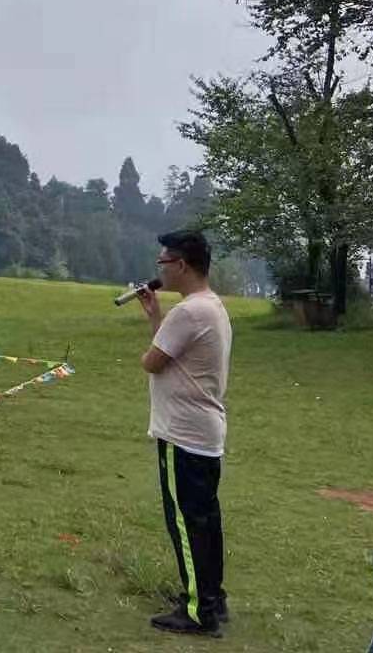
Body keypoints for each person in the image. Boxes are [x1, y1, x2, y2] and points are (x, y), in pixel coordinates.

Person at [136, 229, 233, 637]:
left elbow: (153, 361)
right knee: (205, 520)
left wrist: (158, 325)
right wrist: (155, 317)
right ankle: (213, 597)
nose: (159, 269)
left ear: (180, 265)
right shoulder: (211, 306)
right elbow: (174, 354)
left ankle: (198, 611)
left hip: (184, 435)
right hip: (204, 434)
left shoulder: (188, 312)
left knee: (187, 523)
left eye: (162, 262)